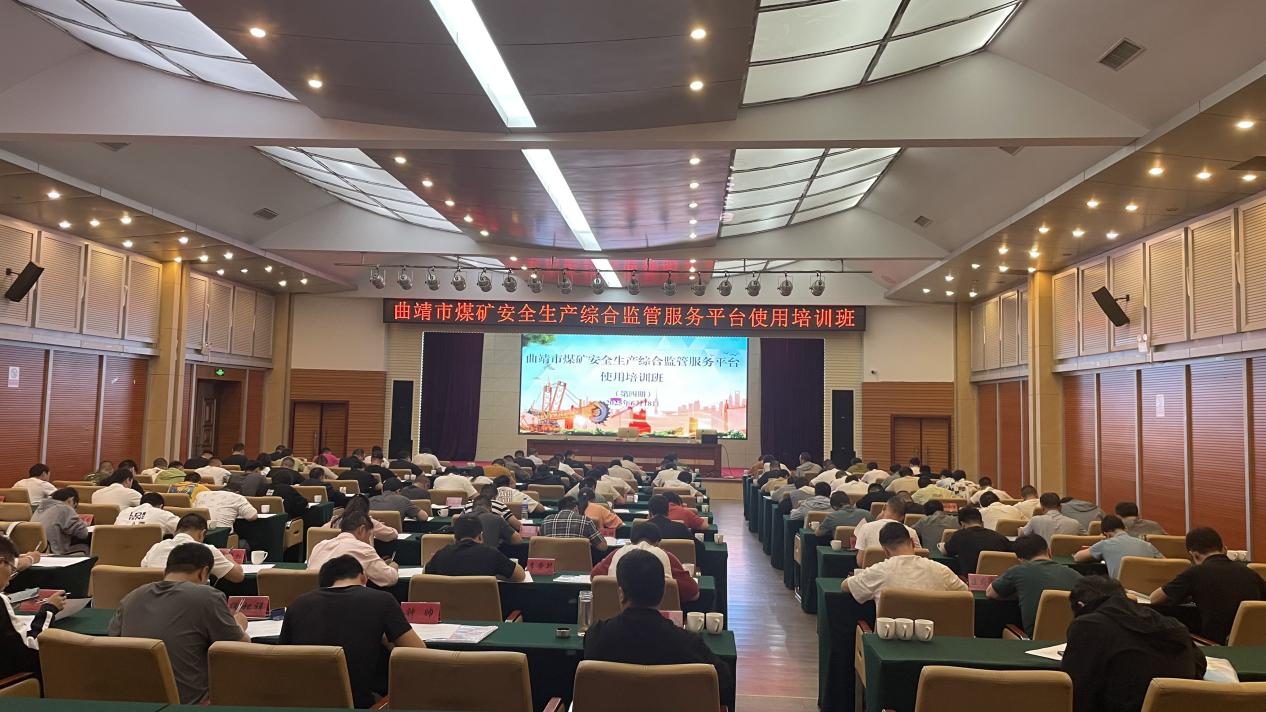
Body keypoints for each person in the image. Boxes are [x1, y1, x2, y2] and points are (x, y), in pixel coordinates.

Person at [583, 550, 733, 706]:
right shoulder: (686, 643)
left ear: (621, 594)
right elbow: (722, 680)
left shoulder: (596, 636)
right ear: (663, 593)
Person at [109, 543, 250, 703]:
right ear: (203, 572)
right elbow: (241, 647)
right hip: (190, 704)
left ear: (167, 570)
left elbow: (114, 643)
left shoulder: (131, 597)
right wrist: (239, 624)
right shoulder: (208, 597)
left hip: (134, 701)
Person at [280, 555, 425, 708]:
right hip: (362, 704)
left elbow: (282, 661)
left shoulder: (297, 605)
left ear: (323, 584)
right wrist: (386, 640)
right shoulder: (382, 600)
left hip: (303, 704)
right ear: (364, 577)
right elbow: (419, 655)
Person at [1062, 576, 1205, 712]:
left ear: (1080, 606)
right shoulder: (1172, 625)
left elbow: (1076, 690)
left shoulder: (1087, 625)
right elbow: (1199, 665)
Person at [1150, 527, 1266, 644]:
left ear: (1194, 555)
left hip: (1212, 644)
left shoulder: (1195, 573)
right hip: (1255, 643)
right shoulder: (1251, 573)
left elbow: (1155, 598)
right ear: (1224, 549)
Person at [843, 522, 966, 602]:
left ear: (885, 550)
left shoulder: (879, 571)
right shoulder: (941, 570)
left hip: (890, 635)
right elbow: (965, 593)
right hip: (935, 633)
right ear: (912, 543)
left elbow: (845, 586)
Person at [987, 534, 1083, 635]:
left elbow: (991, 593)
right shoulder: (1076, 575)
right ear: (1049, 551)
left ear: (1020, 559)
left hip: (1034, 639)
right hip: (1074, 637)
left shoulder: (1018, 571)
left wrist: (1020, 592)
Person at [0, 533, 64, 680]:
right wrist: (49, 610)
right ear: (2, 563)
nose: (9, 582)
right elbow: (31, 649)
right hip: (10, 684)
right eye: (12, 570)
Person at [591, 522, 699, 602]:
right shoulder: (666, 556)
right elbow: (693, 593)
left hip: (616, 619)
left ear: (631, 541)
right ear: (658, 543)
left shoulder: (616, 553)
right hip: (659, 620)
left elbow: (594, 577)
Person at [140, 513, 244, 583]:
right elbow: (238, 576)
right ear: (202, 534)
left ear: (175, 532)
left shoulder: (156, 547)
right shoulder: (205, 550)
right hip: (190, 603)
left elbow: (144, 570)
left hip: (153, 602)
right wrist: (229, 558)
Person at [308, 512, 399, 587]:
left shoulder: (320, 545)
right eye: (369, 536)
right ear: (362, 530)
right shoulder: (362, 548)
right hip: (345, 600)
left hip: (314, 598)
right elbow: (389, 578)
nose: (369, 541)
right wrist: (393, 566)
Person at [426, 514, 526, 581]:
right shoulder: (492, 554)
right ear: (480, 536)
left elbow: (425, 574)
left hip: (448, 607)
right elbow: (520, 576)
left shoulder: (441, 554)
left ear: (455, 538)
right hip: (485, 607)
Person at [1074, 515, 1162, 579]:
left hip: (1122, 593)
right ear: (1125, 529)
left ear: (1106, 534)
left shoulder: (1105, 544)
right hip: (1150, 591)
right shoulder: (1148, 545)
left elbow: (1077, 557)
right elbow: (1166, 564)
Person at [944, 506, 1011, 574]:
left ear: (962, 524)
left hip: (969, 578)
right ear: (982, 523)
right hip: (1000, 577)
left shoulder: (959, 535)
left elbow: (946, 551)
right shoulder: (1000, 537)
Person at [32, 488, 90, 554]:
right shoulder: (65, 508)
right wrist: (84, 524)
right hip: (53, 553)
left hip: (36, 552)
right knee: (85, 547)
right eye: (75, 507)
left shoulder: (39, 509)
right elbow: (83, 534)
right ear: (70, 500)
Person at [540, 495, 608, 552]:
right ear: (576, 508)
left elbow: (541, 545)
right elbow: (603, 546)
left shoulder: (546, 520)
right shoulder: (585, 521)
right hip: (579, 563)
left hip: (553, 562)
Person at [852, 499, 920, 551]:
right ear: (903, 517)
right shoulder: (911, 532)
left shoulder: (866, 527)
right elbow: (919, 555)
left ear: (884, 507)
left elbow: (860, 561)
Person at [325, 495, 398, 542]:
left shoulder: (336, 520)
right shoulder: (367, 522)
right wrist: (378, 525)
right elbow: (393, 534)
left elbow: (321, 531)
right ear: (367, 509)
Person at [194, 481, 258, 529]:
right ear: (237, 493)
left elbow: (193, 510)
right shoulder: (237, 497)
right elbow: (252, 516)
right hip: (221, 534)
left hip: (196, 532)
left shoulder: (201, 494)